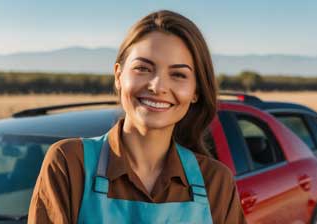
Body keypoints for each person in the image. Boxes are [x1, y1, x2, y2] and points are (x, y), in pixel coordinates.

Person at [28, 10, 246, 224]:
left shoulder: (216, 182)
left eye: (178, 74)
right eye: (143, 68)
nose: (158, 86)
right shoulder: (69, 163)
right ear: (118, 76)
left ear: (195, 91)